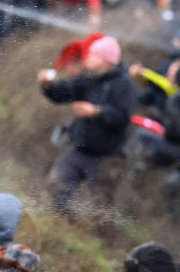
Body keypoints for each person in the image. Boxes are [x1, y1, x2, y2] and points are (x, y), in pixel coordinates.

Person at [37, 35, 134, 213]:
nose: (87, 57)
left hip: (107, 156)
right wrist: (48, 86)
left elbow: (122, 119)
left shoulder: (123, 84)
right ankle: (56, 225)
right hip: (80, 149)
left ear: (106, 60)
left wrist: (96, 112)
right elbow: (64, 93)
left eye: (93, 55)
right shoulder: (88, 79)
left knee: (100, 208)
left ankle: (96, 237)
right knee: (55, 188)